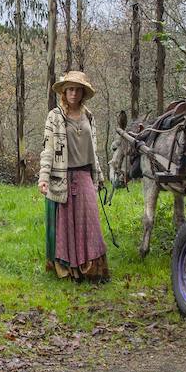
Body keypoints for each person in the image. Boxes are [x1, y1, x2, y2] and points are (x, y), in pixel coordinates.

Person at [38, 70, 110, 282]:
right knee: (66, 226)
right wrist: (43, 177)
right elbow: (48, 150)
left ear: (82, 93)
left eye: (77, 90)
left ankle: (92, 269)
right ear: (64, 92)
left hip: (85, 175)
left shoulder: (89, 116)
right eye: (70, 89)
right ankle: (69, 270)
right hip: (63, 177)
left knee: (90, 222)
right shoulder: (55, 117)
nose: (73, 93)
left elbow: (93, 150)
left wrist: (99, 174)